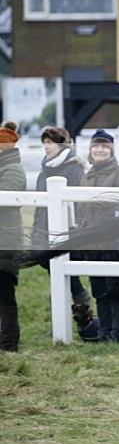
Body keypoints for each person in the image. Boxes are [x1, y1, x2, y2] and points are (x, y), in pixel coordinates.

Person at [76, 129, 119, 342]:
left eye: (104, 147)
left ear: (111, 150)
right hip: (91, 242)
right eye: (96, 146)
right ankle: (104, 332)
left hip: (113, 241)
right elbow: (81, 209)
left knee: (115, 291)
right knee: (99, 290)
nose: (99, 150)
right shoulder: (86, 176)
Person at [32, 126, 92, 315]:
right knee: (54, 273)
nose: (47, 147)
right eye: (45, 143)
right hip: (45, 230)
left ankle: (83, 308)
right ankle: (65, 318)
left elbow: (78, 204)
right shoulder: (44, 170)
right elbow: (39, 205)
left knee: (64, 274)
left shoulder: (74, 169)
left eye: (51, 142)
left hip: (66, 230)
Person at [0, 122, 27, 351]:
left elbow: (6, 198)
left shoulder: (13, 170)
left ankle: (9, 342)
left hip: (5, 240)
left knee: (5, 292)